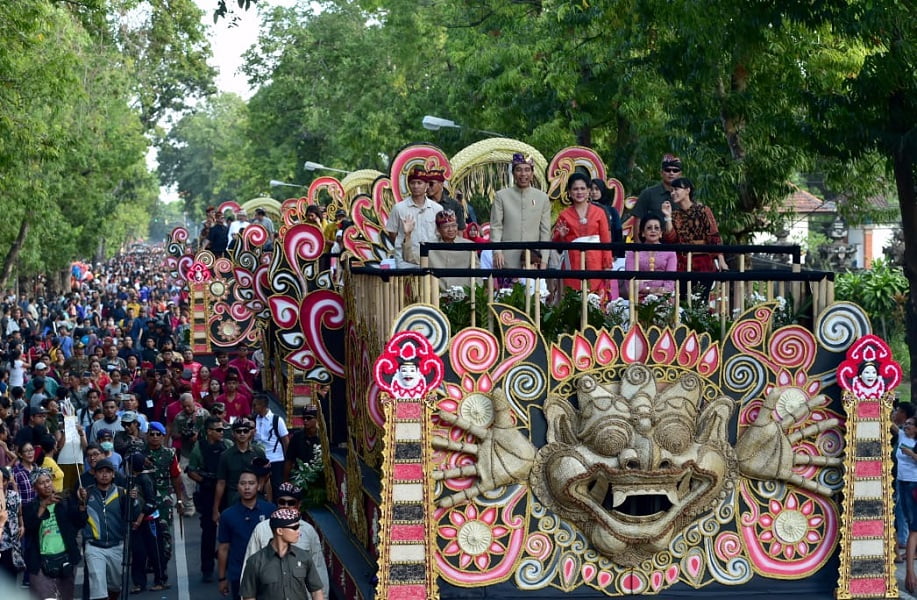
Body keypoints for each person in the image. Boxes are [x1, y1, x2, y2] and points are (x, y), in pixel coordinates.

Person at [241, 482, 329, 599]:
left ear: (299, 504)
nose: (286, 506)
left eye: (291, 503)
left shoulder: (308, 531)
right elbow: (249, 571)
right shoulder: (261, 529)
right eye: (282, 502)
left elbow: (319, 569)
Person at [661, 177, 727, 306]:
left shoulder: (702, 210)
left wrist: (721, 259)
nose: (673, 193)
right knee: (683, 303)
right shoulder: (675, 215)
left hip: (703, 264)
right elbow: (670, 239)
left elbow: (713, 234)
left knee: (700, 302)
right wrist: (667, 217)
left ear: (687, 190)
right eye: (672, 190)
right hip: (681, 265)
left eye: (676, 189)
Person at [23, 469, 87, 600]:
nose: (46, 485)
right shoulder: (30, 507)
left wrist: (81, 504)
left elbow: (79, 522)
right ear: (35, 487)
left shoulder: (64, 501)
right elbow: (29, 527)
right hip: (40, 562)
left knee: (66, 597)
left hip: (65, 559)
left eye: (48, 481)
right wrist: (43, 505)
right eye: (41, 483)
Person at [552, 172, 614, 298]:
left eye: (582, 188)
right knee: (574, 303)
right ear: (569, 192)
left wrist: (607, 265)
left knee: (595, 303)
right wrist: (561, 236)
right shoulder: (564, 215)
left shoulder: (600, 212)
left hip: (596, 261)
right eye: (575, 189)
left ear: (589, 191)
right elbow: (557, 246)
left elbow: (606, 241)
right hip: (572, 263)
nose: (579, 192)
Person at [82, 458, 137, 600]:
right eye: (101, 472)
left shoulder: (122, 493)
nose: (104, 475)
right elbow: (77, 518)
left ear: (113, 474)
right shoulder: (86, 494)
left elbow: (134, 514)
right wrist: (80, 505)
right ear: (95, 474)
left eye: (108, 472)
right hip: (94, 546)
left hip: (117, 545)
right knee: (98, 586)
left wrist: (134, 501)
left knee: (115, 585)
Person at [216, 470, 275, 599]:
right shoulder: (227, 515)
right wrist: (222, 578)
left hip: (268, 573)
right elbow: (223, 548)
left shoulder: (270, 510)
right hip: (239, 574)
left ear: (258, 486)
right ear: (237, 487)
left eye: (251, 483)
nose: (247, 487)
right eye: (243, 483)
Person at [187, 417, 232, 582]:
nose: (222, 432)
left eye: (223, 429)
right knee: (208, 532)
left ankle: (226, 561)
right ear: (209, 432)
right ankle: (207, 568)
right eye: (218, 430)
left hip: (227, 492)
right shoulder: (199, 448)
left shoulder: (227, 445)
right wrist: (204, 481)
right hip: (208, 493)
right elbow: (191, 470)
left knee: (231, 530)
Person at [490, 153, 552, 270]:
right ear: (513, 173)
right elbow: (496, 227)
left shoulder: (542, 198)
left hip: (533, 261)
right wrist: (497, 251)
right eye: (519, 170)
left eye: (527, 170)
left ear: (532, 173)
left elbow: (545, 231)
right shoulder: (501, 196)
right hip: (506, 259)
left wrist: (543, 260)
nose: (523, 174)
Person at [384, 166, 443, 267]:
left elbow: (441, 235)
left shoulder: (437, 209)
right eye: (412, 183)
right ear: (409, 185)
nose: (416, 186)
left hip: (431, 260)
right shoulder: (399, 208)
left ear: (427, 185)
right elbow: (392, 234)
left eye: (419, 183)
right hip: (405, 262)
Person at [403, 209, 476, 291]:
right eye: (446, 227)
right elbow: (409, 258)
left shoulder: (469, 246)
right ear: (438, 229)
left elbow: (478, 273)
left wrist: (475, 295)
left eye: (453, 225)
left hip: (463, 296)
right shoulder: (429, 246)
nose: (451, 229)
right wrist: (407, 235)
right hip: (436, 296)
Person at [213, 418, 266, 522]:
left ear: (250, 433)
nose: (242, 434)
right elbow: (221, 482)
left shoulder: (259, 453)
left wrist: (268, 500)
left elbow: (265, 477)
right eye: (238, 431)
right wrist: (215, 509)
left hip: (256, 498)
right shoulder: (225, 456)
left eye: (245, 431)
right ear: (233, 433)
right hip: (233, 498)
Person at [624, 214, 677, 299]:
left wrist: (662, 291)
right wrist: (649, 290)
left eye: (656, 228)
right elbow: (630, 280)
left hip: (664, 297)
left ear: (661, 233)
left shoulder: (670, 252)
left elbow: (670, 281)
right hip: (639, 297)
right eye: (649, 228)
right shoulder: (633, 252)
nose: (653, 231)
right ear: (643, 233)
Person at [632, 153, 684, 236]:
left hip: (680, 245)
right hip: (653, 246)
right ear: (661, 173)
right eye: (667, 170)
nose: (671, 173)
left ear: (680, 174)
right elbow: (638, 220)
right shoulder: (648, 194)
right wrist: (639, 247)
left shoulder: (686, 195)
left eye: (675, 170)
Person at [252, 394, 288, 495]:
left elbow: (285, 440)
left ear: (262, 405)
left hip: (276, 458)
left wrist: (287, 459)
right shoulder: (254, 419)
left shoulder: (277, 420)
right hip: (260, 458)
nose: (253, 408)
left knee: (276, 486)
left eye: (255, 405)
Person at [899, 417, 917, 593]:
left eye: (910, 424)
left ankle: (910, 572)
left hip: (915, 484)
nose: (906, 426)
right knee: (907, 521)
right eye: (906, 424)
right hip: (902, 483)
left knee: (914, 528)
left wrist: (911, 454)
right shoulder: (901, 436)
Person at [589, 178, 624, 244]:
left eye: (597, 189)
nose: (594, 192)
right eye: (591, 189)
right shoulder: (585, 209)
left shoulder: (611, 211)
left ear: (602, 190)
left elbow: (618, 232)